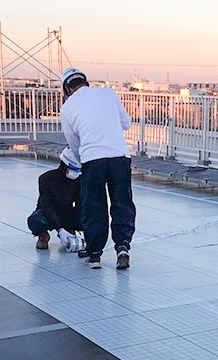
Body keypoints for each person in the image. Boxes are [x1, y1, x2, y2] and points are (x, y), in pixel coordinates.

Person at [59, 67, 135, 270]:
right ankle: (122, 247)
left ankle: (94, 255)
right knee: (122, 203)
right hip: (119, 156)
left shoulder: (67, 108)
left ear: (67, 89)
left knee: (94, 206)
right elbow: (126, 124)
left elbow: (73, 143)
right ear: (86, 82)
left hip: (92, 159)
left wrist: (82, 160)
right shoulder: (109, 93)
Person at [27, 147, 85, 255]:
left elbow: (79, 205)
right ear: (64, 165)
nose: (76, 172)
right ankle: (43, 235)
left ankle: (69, 230)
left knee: (86, 217)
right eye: (73, 169)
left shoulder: (78, 181)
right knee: (36, 221)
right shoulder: (46, 179)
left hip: (66, 212)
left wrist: (77, 224)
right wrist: (60, 230)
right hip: (47, 213)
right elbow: (47, 206)